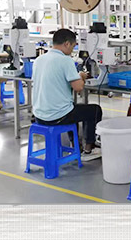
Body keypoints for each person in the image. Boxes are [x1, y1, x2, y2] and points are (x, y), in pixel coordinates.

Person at [32, 28, 102, 161]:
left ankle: (74, 145)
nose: (72, 50)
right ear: (67, 44)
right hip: (56, 116)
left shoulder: (39, 60)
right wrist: (81, 76)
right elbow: (78, 88)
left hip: (39, 115)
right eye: (73, 46)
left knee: (71, 108)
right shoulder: (65, 60)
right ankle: (89, 149)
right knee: (95, 110)